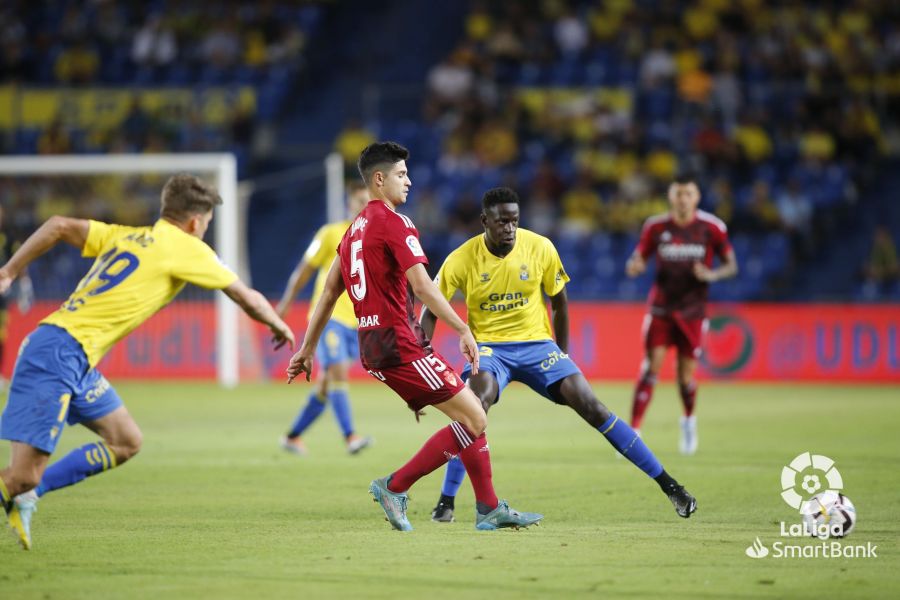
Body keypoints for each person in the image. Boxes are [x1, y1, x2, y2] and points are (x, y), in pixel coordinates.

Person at [0, 174, 295, 550]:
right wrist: (279, 324)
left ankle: (31, 494)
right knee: (20, 475)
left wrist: (9, 271)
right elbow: (247, 298)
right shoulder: (187, 247)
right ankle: (25, 489)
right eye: (205, 224)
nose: (203, 231)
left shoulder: (124, 235)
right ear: (193, 222)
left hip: (69, 354)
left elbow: (57, 225)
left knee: (125, 441)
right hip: (58, 355)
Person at [287, 142, 541, 531]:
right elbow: (421, 286)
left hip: (373, 347)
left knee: (468, 412)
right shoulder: (395, 222)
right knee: (474, 418)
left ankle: (489, 507)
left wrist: (306, 348)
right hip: (400, 342)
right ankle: (395, 485)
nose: (409, 181)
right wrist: (461, 327)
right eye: (401, 174)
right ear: (379, 179)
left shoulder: (351, 231)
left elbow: (327, 293)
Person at [423, 187, 698, 523]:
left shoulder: (540, 247)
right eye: (501, 222)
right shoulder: (461, 258)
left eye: (514, 220)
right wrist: (426, 355)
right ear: (484, 221)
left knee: (593, 406)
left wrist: (563, 353)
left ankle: (670, 486)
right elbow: (432, 307)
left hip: (539, 345)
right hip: (490, 349)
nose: (509, 227)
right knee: (474, 406)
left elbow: (560, 301)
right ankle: (447, 500)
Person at [626, 174, 738, 455]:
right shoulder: (655, 227)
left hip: (693, 312)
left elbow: (731, 265)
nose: (683, 199)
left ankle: (688, 421)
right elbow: (639, 256)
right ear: (670, 196)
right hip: (661, 309)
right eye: (678, 194)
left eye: (688, 193)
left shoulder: (711, 228)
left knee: (685, 377)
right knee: (651, 367)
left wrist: (712, 274)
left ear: (697, 197)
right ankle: (633, 432)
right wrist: (635, 265)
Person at [275, 181, 373, 456]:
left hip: (357, 322)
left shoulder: (375, 236)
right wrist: (285, 304)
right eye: (359, 203)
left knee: (327, 384)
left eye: (368, 203)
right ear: (349, 205)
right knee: (338, 371)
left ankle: (293, 436)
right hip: (329, 318)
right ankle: (351, 436)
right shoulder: (331, 234)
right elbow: (304, 270)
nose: (363, 208)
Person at [0, 205, 33, 390]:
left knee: (0, 336)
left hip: (1, 294)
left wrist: (25, 285)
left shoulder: (9, 238)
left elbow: (21, 261)